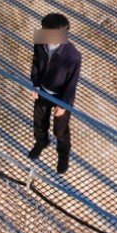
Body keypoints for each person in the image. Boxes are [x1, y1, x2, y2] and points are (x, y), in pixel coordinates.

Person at [28, 13, 81, 174]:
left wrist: (63, 105)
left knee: (61, 129)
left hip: (61, 97)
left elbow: (72, 84)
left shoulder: (73, 56)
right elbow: (36, 61)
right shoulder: (40, 40)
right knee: (39, 120)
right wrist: (35, 84)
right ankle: (41, 141)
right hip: (43, 90)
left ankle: (63, 153)